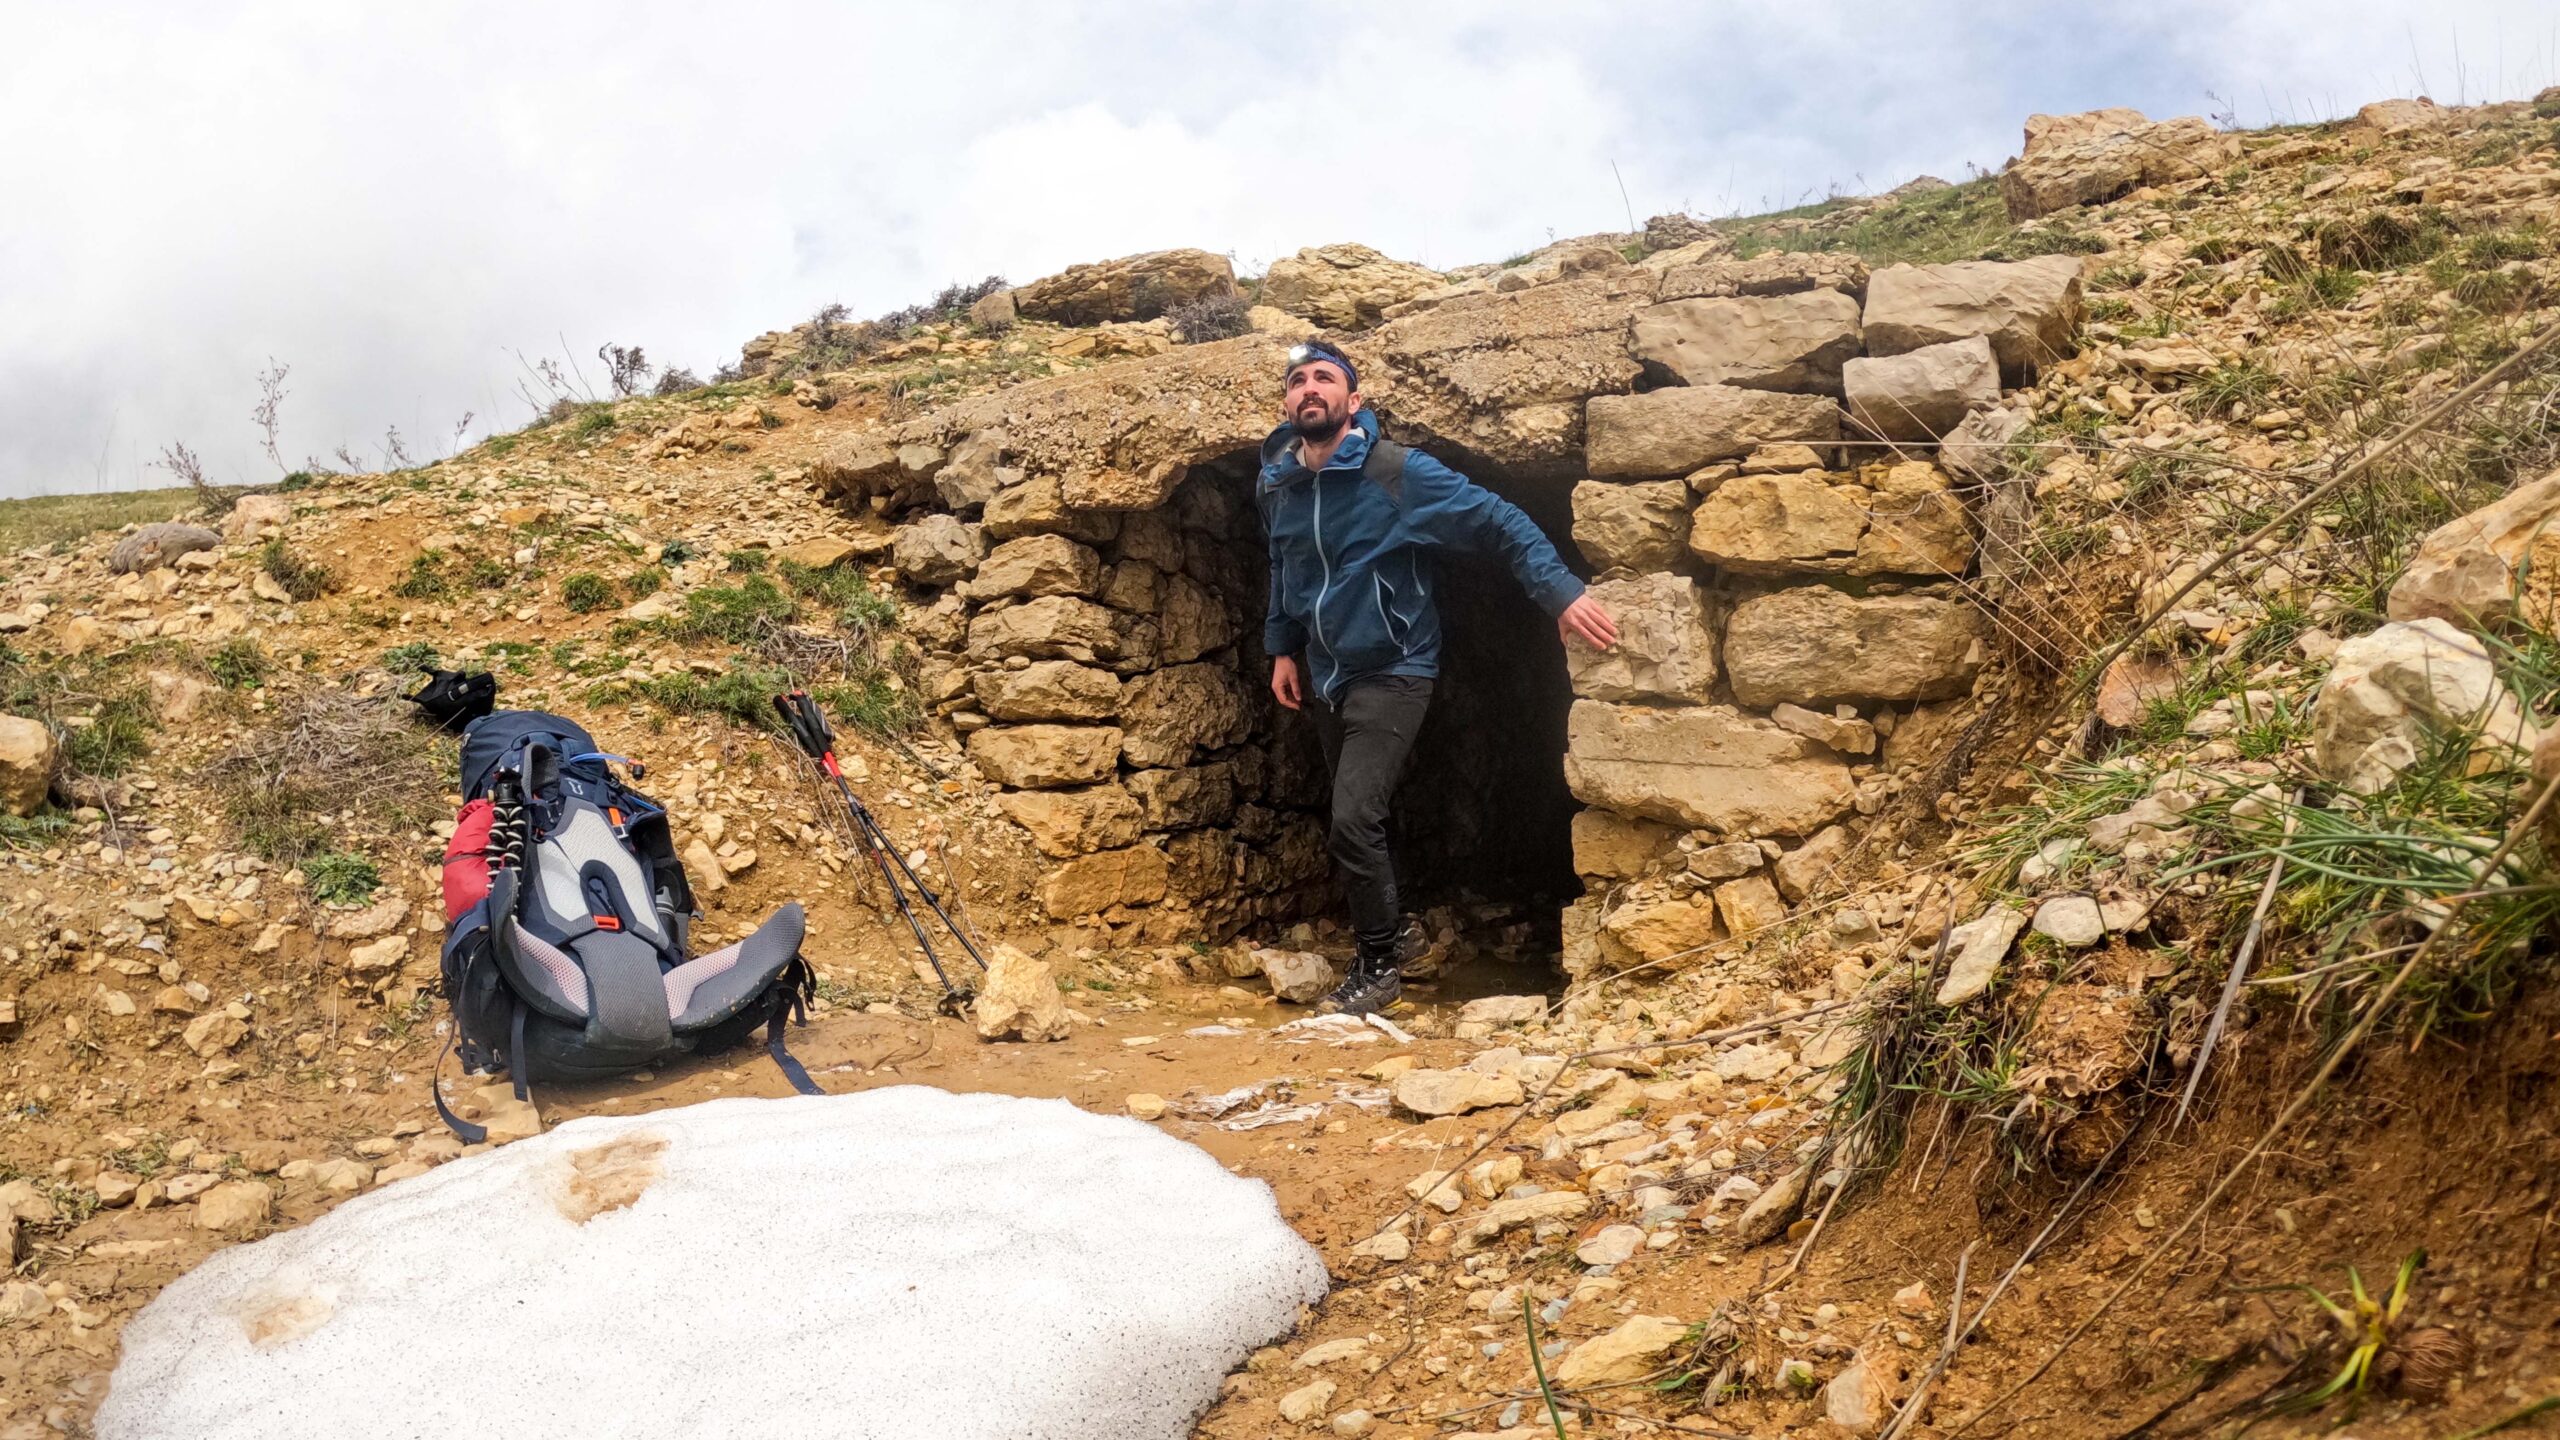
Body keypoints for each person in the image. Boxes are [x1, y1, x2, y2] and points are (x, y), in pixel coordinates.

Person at [1256, 340, 1620, 1015]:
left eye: (1325, 378)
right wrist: (1282, 647)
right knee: (1362, 813)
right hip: (1328, 674)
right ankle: (1401, 934)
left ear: (1352, 400)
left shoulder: (1396, 472)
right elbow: (1286, 567)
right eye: (1298, 380)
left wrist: (1560, 593)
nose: (1310, 388)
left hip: (1396, 666)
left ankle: (1377, 969)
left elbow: (1499, 519)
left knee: (1352, 818)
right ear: (1287, 401)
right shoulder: (1278, 482)